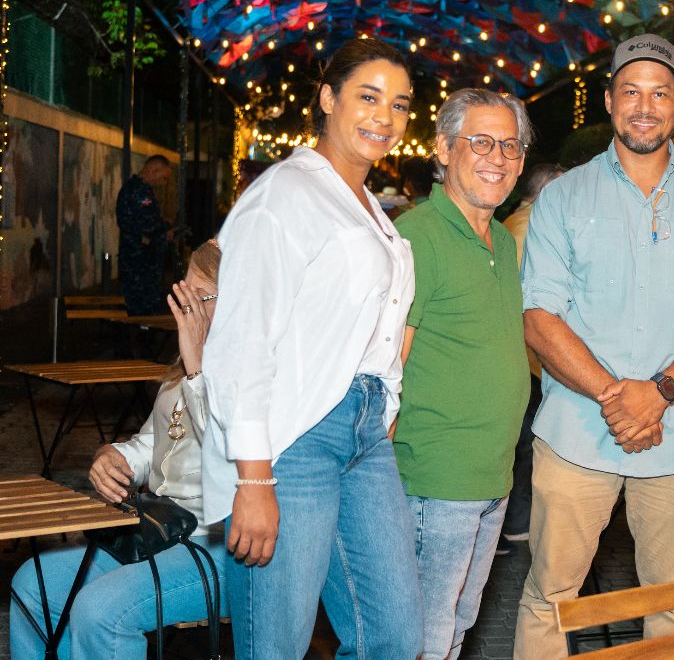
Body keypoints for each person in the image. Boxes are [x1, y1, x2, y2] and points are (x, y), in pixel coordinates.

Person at [514, 34, 674, 659]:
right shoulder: (563, 197)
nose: (645, 107)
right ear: (610, 101)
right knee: (551, 599)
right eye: (631, 92)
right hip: (577, 432)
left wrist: (660, 392)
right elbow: (539, 318)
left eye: (659, 94)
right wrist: (619, 398)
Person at [200, 37, 422, 659]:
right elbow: (241, 341)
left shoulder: (367, 205)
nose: (385, 117)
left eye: (399, 104)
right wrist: (254, 477)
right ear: (327, 99)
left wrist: (386, 403)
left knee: (395, 636)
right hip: (294, 442)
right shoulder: (284, 194)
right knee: (275, 646)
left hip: (365, 435)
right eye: (368, 97)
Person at [9, 241, 229, 659]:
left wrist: (197, 366)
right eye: (183, 292)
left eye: (201, 296)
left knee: (100, 610)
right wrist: (113, 456)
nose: (186, 307)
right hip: (158, 529)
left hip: (217, 546)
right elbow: (154, 443)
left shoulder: (256, 372)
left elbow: (229, 453)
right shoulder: (182, 367)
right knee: (32, 584)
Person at [393, 89, 535, 658]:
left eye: (510, 145)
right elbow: (386, 368)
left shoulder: (500, 237)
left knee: (454, 630)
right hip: (433, 482)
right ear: (444, 149)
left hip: (491, 479)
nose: (497, 157)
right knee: (423, 640)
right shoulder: (416, 237)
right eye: (481, 142)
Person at [500, 163, 564, 552]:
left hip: (526, 357)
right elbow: (531, 306)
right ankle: (514, 522)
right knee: (526, 443)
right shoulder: (527, 228)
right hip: (529, 360)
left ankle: (513, 522)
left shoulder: (520, 223)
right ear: (545, 191)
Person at [116, 155, 174, 315]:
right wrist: (164, 230)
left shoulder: (139, 189)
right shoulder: (139, 191)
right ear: (154, 170)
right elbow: (147, 224)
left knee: (144, 305)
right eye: (164, 178)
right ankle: (142, 329)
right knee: (141, 307)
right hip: (140, 260)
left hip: (142, 259)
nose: (164, 183)